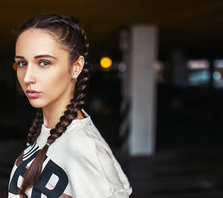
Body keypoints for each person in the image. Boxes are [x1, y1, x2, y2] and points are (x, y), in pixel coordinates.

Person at [8, 14, 132, 198]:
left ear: (76, 67)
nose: (27, 78)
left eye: (44, 63)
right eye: (22, 63)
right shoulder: (47, 130)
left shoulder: (83, 146)